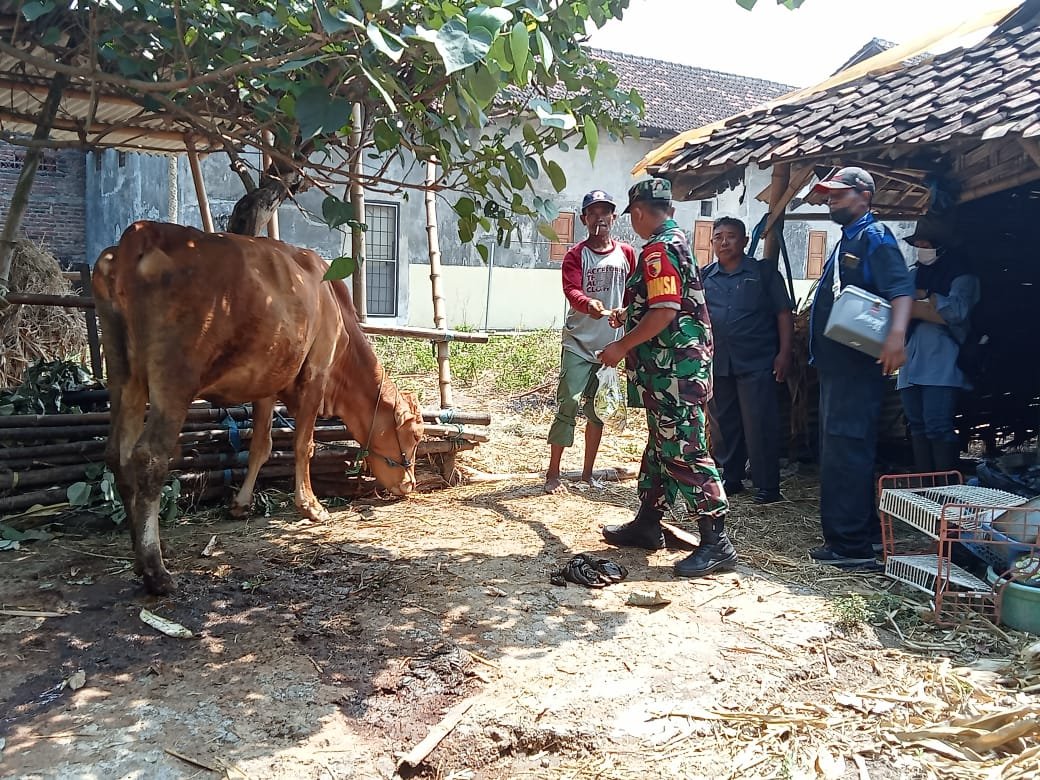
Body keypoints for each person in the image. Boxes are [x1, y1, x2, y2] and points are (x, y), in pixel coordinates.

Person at [598, 178, 736, 578]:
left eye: (632, 217)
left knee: (685, 450)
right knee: (662, 445)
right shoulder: (675, 242)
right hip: (670, 368)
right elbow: (661, 304)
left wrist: (622, 345)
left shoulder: (659, 248)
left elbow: (666, 311)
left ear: (638, 212)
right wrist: (633, 315)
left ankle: (716, 543)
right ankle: (647, 522)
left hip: (675, 368)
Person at [808, 166, 916, 567]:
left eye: (840, 194)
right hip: (838, 365)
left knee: (846, 449)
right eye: (830, 195)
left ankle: (849, 547)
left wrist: (896, 337)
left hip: (855, 366)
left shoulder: (874, 236)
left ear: (865, 196)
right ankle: (865, 535)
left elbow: (900, 288)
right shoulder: (848, 238)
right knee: (841, 448)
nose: (831, 200)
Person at [545, 189, 636, 494]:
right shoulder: (576, 255)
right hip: (578, 343)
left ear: (613, 217)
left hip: (609, 347)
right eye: (593, 213)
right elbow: (571, 289)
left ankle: (587, 474)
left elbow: (633, 294)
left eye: (605, 212)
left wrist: (626, 313)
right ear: (584, 219)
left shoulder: (626, 254)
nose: (600, 218)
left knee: (598, 409)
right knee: (568, 404)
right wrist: (588, 304)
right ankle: (553, 474)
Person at [702, 217, 794, 504]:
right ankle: (731, 478)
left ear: (744, 241)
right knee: (723, 423)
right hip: (719, 361)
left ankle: (767, 486)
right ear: (712, 242)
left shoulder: (763, 273)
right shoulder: (705, 276)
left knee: (759, 422)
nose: (724, 242)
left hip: (757, 360)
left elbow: (783, 313)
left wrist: (784, 353)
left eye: (731, 236)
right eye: (718, 237)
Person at [898, 216, 980, 473]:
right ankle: (925, 486)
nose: (921, 248)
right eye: (918, 243)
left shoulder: (963, 277)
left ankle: (946, 490)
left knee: (937, 425)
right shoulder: (913, 274)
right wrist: (924, 306)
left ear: (941, 245)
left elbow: (957, 312)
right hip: (910, 361)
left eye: (926, 243)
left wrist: (927, 298)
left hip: (942, 361)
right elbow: (898, 305)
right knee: (917, 425)